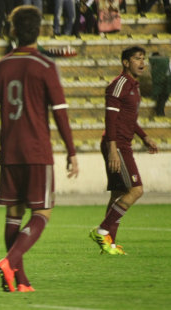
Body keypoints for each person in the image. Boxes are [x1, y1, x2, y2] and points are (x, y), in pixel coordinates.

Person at [0, 5, 79, 292]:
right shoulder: (46, 67)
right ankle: (12, 261)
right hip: (37, 152)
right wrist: (72, 151)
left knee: (14, 213)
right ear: (39, 31)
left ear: (12, 31)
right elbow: (60, 113)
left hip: (9, 151)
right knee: (42, 213)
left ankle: (20, 282)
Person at [90, 46, 158, 255]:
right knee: (136, 190)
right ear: (125, 62)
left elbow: (128, 118)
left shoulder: (133, 86)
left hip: (122, 143)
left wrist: (144, 136)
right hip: (117, 144)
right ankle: (102, 231)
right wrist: (112, 149)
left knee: (118, 193)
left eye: (143, 59)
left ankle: (109, 244)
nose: (142, 62)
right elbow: (110, 119)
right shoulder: (118, 85)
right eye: (137, 58)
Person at [149, 52, 171, 116]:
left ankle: (159, 112)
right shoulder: (167, 60)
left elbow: (151, 73)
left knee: (160, 97)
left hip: (160, 82)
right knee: (163, 97)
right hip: (167, 81)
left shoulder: (153, 62)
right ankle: (160, 112)